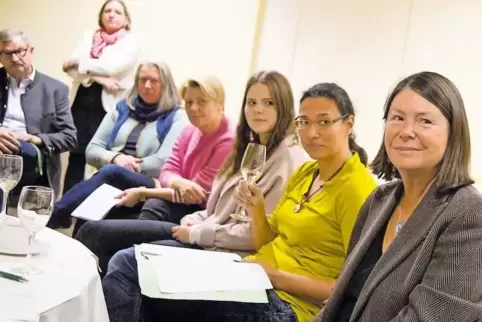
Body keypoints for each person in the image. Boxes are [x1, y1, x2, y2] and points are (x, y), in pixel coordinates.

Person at [102, 82, 377, 322]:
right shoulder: (306, 172)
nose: (312, 132)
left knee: (142, 286)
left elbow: (350, 288)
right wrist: (256, 208)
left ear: (349, 124)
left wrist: (275, 276)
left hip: (289, 305)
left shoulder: (357, 188)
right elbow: (264, 242)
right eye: (304, 122)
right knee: (128, 264)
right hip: (250, 275)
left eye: (324, 121)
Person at [77, 70, 307, 272]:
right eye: (252, 102)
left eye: (269, 103)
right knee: (97, 230)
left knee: (116, 248)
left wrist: (197, 231)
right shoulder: (248, 146)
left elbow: (257, 233)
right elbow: (175, 175)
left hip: (221, 249)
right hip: (203, 229)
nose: (258, 110)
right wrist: (193, 220)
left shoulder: (285, 157)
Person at [315, 72, 482, 322]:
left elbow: (432, 316)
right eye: (397, 118)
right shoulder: (380, 199)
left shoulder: (468, 213)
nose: (406, 131)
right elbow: (342, 298)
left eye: (425, 121)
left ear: (453, 132)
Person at [47, 61, 188, 232]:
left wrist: (122, 167)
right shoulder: (122, 109)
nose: (147, 85)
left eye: (153, 80)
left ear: (165, 84)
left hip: (150, 182)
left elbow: (161, 162)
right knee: (90, 215)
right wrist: (116, 158)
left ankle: (56, 213)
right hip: (111, 174)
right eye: (142, 80)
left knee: (111, 173)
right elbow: (92, 150)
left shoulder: (177, 116)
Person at [62, 0, 139, 194]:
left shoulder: (131, 42)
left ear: (126, 19)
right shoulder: (89, 36)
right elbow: (70, 70)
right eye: (107, 11)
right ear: (101, 15)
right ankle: (63, 211)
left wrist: (81, 63)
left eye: (117, 12)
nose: (111, 15)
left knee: (99, 159)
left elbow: (112, 67)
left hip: (108, 108)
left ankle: (86, 212)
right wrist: (99, 78)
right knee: (76, 157)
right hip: (80, 102)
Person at [0, 28, 77, 199]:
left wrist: (36, 138)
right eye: (6, 53)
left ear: (31, 51)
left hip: (31, 154)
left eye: (19, 51)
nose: (13, 58)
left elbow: (70, 137)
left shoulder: (55, 90)